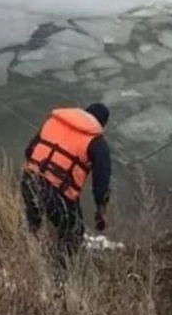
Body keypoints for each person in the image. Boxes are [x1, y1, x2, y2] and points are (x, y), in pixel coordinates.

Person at [20, 102, 113, 270]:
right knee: (74, 231)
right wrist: (101, 213)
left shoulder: (53, 122)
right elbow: (101, 183)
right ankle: (59, 276)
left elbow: (29, 151)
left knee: (33, 222)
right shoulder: (97, 142)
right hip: (56, 193)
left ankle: (23, 258)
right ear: (102, 124)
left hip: (29, 180)